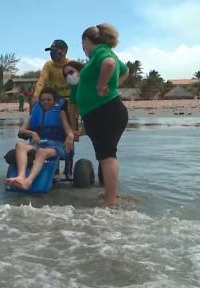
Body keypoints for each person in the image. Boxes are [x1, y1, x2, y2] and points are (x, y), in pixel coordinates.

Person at [76, 23, 129, 207]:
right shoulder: (106, 51)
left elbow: (110, 64)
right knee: (107, 155)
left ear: (86, 41)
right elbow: (125, 71)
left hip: (105, 110)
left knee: (107, 156)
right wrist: (113, 86)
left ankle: (111, 200)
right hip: (107, 110)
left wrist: (101, 86)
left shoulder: (100, 52)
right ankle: (111, 195)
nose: (83, 50)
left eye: (83, 45)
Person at [5, 87, 75, 190]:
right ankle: (21, 176)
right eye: (43, 100)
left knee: (42, 152)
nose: (45, 102)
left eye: (49, 100)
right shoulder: (35, 113)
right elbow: (22, 130)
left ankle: (28, 181)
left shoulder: (60, 113)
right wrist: (32, 133)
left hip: (56, 145)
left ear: (55, 101)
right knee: (20, 145)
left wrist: (70, 136)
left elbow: (69, 130)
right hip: (38, 144)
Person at [31, 39, 72, 105]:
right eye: (51, 51)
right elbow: (41, 81)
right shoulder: (48, 65)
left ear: (64, 51)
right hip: (55, 100)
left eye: (55, 50)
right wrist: (36, 95)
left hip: (71, 100)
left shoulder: (72, 65)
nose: (52, 53)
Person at [63, 61, 86, 133]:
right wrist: (73, 130)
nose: (69, 76)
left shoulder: (92, 80)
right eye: (66, 75)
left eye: (71, 72)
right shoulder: (74, 89)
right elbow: (72, 111)